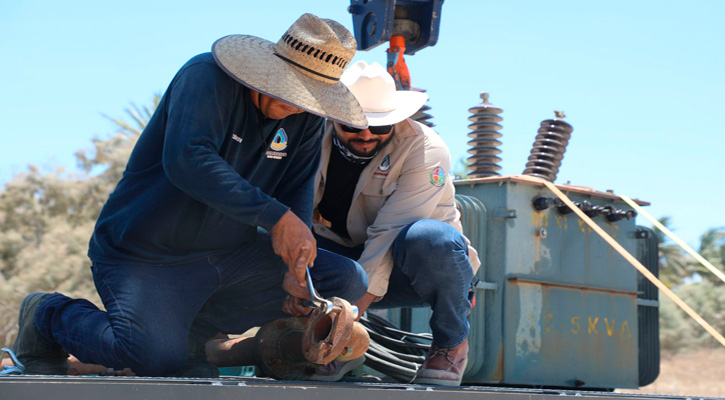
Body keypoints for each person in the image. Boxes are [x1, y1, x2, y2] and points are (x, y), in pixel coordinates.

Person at [9, 14, 369, 378]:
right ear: (269, 71)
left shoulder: (308, 118)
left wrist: (298, 269)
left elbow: (297, 190)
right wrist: (276, 218)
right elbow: (188, 161)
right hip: (146, 256)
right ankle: (47, 314)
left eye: (310, 97)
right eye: (293, 91)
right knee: (155, 359)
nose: (298, 105)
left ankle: (193, 337)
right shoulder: (205, 77)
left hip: (228, 256)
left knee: (345, 278)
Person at [311, 61, 481, 386]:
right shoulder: (311, 135)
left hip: (412, 266)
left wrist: (349, 314)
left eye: (379, 127)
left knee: (431, 239)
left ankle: (450, 344)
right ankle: (343, 347)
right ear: (334, 116)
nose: (366, 135)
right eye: (354, 126)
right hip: (344, 258)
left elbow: (388, 233)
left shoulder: (425, 149)